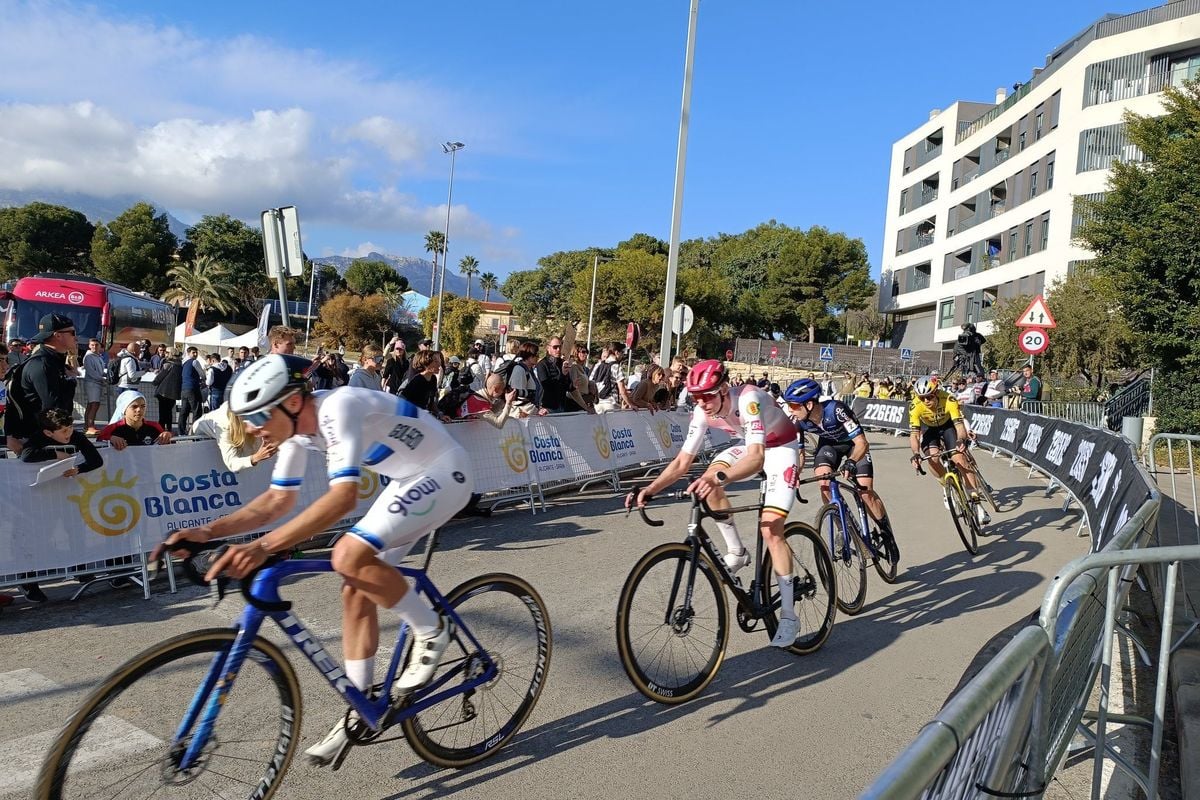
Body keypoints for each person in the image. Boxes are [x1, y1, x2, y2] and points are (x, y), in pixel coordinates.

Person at [153, 354, 475, 768]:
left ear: (291, 403)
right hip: (408, 480)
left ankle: (432, 629)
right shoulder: (297, 434)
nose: (252, 428)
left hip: (444, 471)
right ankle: (361, 709)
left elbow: (345, 497)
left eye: (258, 415)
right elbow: (276, 500)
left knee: (348, 554)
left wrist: (261, 548)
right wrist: (207, 532)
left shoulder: (338, 407)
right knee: (354, 584)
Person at [626, 359, 805, 648]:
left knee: (771, 529)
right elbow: (683, 462)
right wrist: (650, 488)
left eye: (707, 396)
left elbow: (757, 458)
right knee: (703, 481)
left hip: (781, 447)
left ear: (723, 389)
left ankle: (787, 615)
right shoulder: (702, 410)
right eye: (696, 397)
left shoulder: (747, 399)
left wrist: (720, 479)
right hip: (748, 443)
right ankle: (736, 551)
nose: (702, 403)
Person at [783, 378, 899, 562]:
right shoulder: (798, 421)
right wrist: (795, 473)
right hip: (829, 447)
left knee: (865, 492)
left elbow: (862, 443)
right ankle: (842, 531)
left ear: (809, 404)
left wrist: (852, 462)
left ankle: (887, 534)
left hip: (854, 446)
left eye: (794, 405)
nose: (790, 409)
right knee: (824, 482)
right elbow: (800, 453)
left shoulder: (836, 410)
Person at [908, 376, 990, 525]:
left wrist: (960, 440)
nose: (926, 401)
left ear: (936, 392)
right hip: (929, 429)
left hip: (947, 426)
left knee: (959, 459)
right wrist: (915, 454)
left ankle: (977, 504)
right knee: (932, 459)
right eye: (922, 398)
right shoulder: (915, 406)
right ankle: (946, 486)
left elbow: (959, 426)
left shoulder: (949, 399)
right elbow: (914, 434)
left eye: (929, 396)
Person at [5, 313, 77, 454]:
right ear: (57, 335)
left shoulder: (53, 361)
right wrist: (71, 381)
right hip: (37, 440)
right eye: (72, 332)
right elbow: (52, 408)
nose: (76, 337)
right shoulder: (43, 364)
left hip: (46, 435)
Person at [98, 391, 174, 449]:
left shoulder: (154, 426)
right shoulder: (112, 428)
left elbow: (169, 445)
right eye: (134, 406)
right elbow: (98, 444)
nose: (139, 410)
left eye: (143, 406)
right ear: (124, 409)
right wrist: (111, 438)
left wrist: (168, 435)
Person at [534, 337, 569, 413]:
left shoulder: (562, 363)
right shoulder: (542, 364)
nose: (558, 350)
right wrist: (562, 375)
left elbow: (567, 386)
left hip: (562, 405)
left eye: (560, 347)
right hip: (547, 406)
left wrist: (573, 383)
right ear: (548, 348)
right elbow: (547, 387)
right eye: (555, 347)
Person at [177, 346, 206, 434]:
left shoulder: (184, 363)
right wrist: (203, 379)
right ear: (188, 353)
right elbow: (202, 374)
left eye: (196, 353)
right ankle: (195, 432)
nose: (195, 354)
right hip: (193, 388)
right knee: (197, 411)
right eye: (193, 352)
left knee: (184, 411)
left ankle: (181, 432)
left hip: (184, 389)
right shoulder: (195, 361)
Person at [81, 338, 106, 434]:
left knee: (92, 404)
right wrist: (102, 379)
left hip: (96, 383)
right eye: (92, 345)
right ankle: (90, 427)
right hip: (92, 384)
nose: (94, 347)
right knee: (94, 404)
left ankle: (87, 426)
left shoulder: (98, 356)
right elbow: (91, 372)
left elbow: (99, 371)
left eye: (96, 345)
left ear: (100, 346)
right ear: (89, 346)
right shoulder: (88, 357)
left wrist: (105, 376)